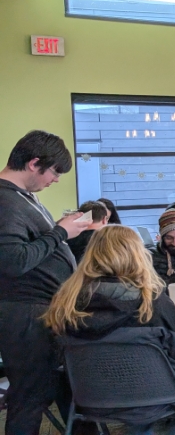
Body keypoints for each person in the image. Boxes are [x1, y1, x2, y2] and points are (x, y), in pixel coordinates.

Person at [44, 225, 175, 434]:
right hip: (157, 395)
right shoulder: (152, 302)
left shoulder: (66, 302)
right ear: (137, 255)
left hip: (91, 398)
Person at [0, 130, 91, 434]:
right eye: (54, 172)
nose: (55, 180)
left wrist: (66, 234)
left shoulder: (20, 197)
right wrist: (61, 232)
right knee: (29, 397)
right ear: (33, 163)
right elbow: (14, 261)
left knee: (62, 389)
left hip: (41, 311)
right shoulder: (4, 200)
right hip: (26, 315)